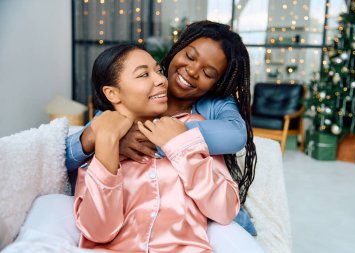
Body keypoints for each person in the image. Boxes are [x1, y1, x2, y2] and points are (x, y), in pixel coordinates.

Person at [66, 20, 256, 233]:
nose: (192, 71)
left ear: (216, 83)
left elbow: (236, 135)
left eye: (208, 73)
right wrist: (109, 140)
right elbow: (75, 150)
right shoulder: (138, 92)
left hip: (200, 217)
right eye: (190, 56)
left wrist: (166, 138)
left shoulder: (213, 107)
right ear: (177, 49)